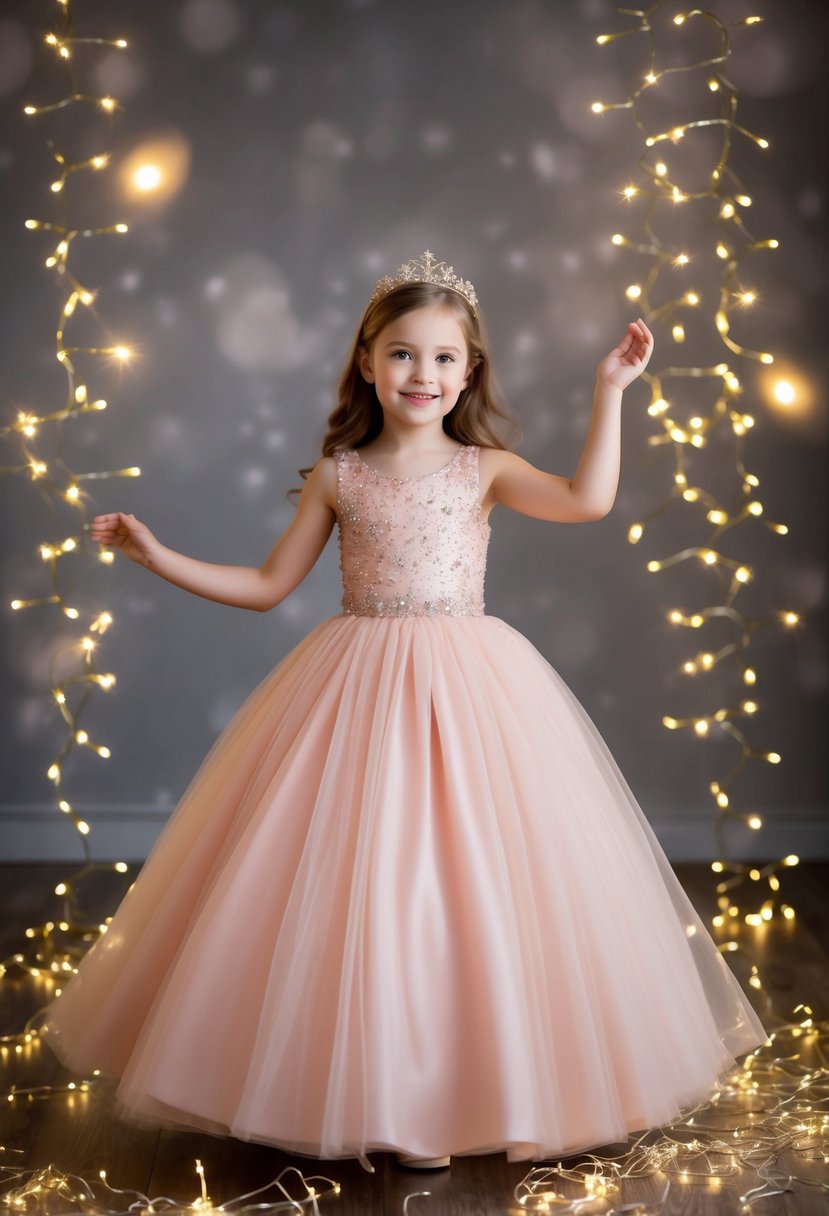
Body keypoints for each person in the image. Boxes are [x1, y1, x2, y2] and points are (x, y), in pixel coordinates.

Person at [40, 251, 770, 1175]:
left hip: (473, 685)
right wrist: (160, 556)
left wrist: (610, 389)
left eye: (440, 359)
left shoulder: (484, 469)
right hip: (353, 689)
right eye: (399, 355)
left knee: (473, 881)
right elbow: (268, 586)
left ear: (467, 373)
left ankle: (472, 1088)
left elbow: (589, 502)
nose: (419, 375)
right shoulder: (340, 476)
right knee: (359, 885)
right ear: (364, 363)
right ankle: (365, 1090)